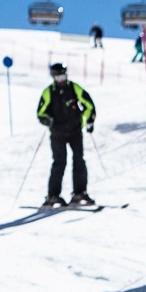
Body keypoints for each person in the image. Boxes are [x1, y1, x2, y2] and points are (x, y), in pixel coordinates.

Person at [36, 62, 96, 208]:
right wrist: (46, 120)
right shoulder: (48, 92)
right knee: (59, 162)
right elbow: (40, 113)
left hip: (75, 130)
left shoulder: (74, 88)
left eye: (63, 76)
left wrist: (89, 120)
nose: (61, 80)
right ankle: (53, 195)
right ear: (53, 78)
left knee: (79, 160)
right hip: (57, 133)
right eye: (57, 77)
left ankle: (79, 193)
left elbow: (89, 105)